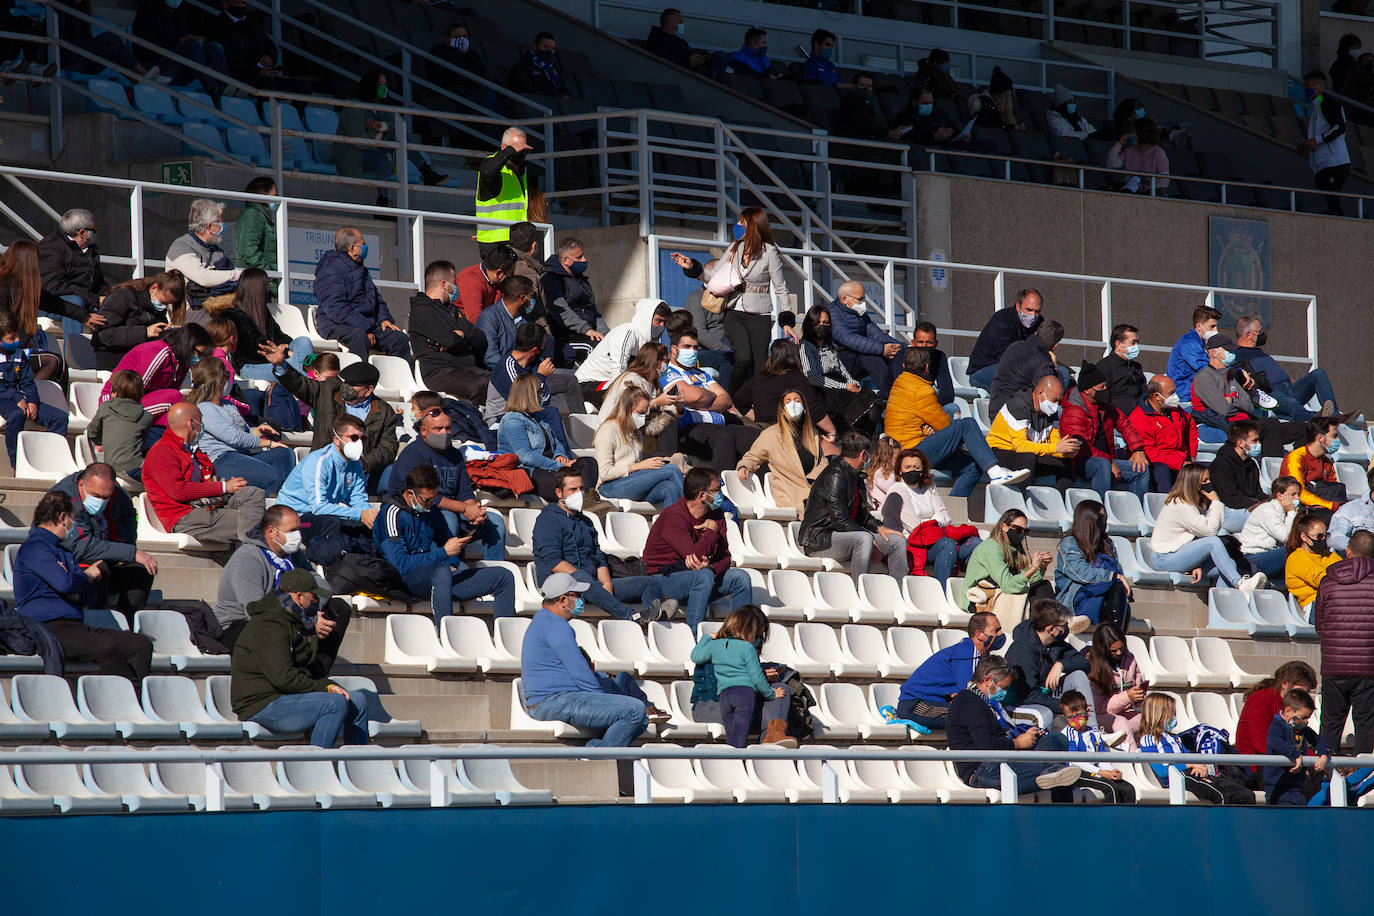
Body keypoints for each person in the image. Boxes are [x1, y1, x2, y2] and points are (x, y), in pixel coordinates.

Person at [230, 568, 377, 748]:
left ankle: (356, 766)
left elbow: (307, 666)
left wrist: (328, 685)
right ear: (298, 597)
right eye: (313, 597)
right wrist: (324, 689)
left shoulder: (293, 621)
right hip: (261, 704)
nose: (316, 601)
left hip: (285, 696)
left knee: (357, 700)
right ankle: (319, 766)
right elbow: (283, 678)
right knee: (334, 704)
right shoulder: (269, 624)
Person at [17, 490, 152, 684]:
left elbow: (82, 594)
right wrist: (86, 577)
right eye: (73, 519)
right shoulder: (35, 547)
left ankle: (132, 697)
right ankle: (131, 697)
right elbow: (66, 583)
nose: (74, 526)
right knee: (104, 646)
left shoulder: (63, 550)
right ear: (63, 518)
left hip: (75, 626)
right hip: (47, 629)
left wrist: (88, 581)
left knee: (140, 644)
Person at [376, 464, 516, 626]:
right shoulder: (391, 514)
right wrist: (443, 554)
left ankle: (504, 639)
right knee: (441, 572)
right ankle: (447, 637)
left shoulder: (431, 509)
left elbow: (447, 541)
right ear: (410, 493)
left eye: (433, 499)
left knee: (503, 576)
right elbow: (400, 565)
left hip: (438, 578)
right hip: (404, 581)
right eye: (427, 500)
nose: (430, 504)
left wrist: (454, 556)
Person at [521, 573, 649, 746]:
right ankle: (598, 757)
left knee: (641, 720)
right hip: (553, 702)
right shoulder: (556, 625)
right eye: (578, 596)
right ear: (564, 600)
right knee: (635, 710)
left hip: (555, 701)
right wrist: (603, 704)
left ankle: (595, 749)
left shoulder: (542, 621)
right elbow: (580, 672)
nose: (582, 600)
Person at [532, 466, 672, 624]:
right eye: (572, 489)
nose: (579, 494)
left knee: (649, 582)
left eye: (581, 488)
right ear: (559, 493)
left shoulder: (586, 521)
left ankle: (653, 620)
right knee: (581, 577)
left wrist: (606, 584)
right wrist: (586, 581)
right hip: (558, 585)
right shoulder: (548, 519)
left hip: (591, 584)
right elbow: (554, 562)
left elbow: (598, 557)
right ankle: (631, 616)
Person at [887, 347, 1028, 496]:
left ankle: (956, 503)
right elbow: (944, 426)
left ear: (903, 366)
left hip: (909, 448)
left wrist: (926, 429)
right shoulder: (922, 391)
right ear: (928, 367)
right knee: (967, 424)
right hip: (912, 451)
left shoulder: (899, 383)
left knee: (976, 464)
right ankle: (996, 471)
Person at [214, 505, 350, 654]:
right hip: (240, 626)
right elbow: (255, 609)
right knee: (269, 628)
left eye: (299, 530)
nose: (298, 536)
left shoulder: (292, 554)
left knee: (338, 608)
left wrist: (310, 612)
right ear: (272, 531)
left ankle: (315, 673)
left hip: (285, 617)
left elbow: (322, 587)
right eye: (292, 531)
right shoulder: (247, 558)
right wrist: (305, 619)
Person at [264, 350, 399, 493]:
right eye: (346, 382)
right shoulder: (328, 391)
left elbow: (388, 447)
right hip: (326, 468)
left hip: (362, 473)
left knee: (394, 474)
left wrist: (365, 463)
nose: (346, 387)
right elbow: (300, 384)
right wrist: (281, 366)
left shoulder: (384, 411)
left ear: (368, 390)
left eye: (353, 385)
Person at [947, 655, 1084, 795]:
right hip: (982, 770)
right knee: (1053, 768)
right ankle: (1051, 771)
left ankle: (1050, 771)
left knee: (1057, 739)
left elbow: (999, 739)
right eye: (1003, 688)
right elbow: (986, 744)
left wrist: (1028, 737)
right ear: (988, 681)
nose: (1004, 693)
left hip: (1002, 760)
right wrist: (1017, 743)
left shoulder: (986, 704)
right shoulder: (967, 703)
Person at [384, 406, 507, 560]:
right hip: (416, 512)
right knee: (448, 519)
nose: (444, 432)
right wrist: (464, 508)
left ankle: (495, 575)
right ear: (423, 431)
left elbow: (464, 491)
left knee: (495, 523)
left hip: (450, 510)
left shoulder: (455, 455)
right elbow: (422, 496)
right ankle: (450, 571)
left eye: (448, 428)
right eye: (438, 428)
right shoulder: (413, 453)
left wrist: (474, 510)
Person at [643, 467, 753, 634]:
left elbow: (725, 557)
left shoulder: (716, 514)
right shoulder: (674, 516)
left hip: (701, 577)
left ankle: (740, 639)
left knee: (740, 578)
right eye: (716, 490)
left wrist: (710, 567)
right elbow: (694, 556)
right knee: (704, 577)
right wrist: (711, 531)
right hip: (664, 581)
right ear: (702, 495)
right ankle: (695, 637)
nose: (721, 494)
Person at [142, 401, 265, 544]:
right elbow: (178, 491)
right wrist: (223, 487)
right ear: (191, 423)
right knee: (261, 524)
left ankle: (251, 542)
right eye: (201, 421)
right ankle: (251, 549)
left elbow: (204, 480)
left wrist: (223, 483)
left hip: (207, 505)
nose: (203, 426)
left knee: (253, 493)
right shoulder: (162, 451)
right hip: (185, 516)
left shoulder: (193, 450)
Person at [797, 431, 909, 583]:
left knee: (897, 542)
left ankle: (899, 593)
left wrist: (879, 527)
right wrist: (869, 536)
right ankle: (861, 591)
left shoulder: (855, 474)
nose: (868, 459)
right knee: (864, 539)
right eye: (867, 455)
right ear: (863, 454)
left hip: (846, 535)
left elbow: (860, 514)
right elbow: (840, 520)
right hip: (821, 540)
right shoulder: (835, 476)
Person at [49, 463, 157, 619]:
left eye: (106, 497)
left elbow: (128, 521)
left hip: (99, 554)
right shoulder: (63, 500)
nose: (100, 501)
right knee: (100, 570)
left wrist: (126, 550)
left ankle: (126, 622)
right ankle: (99, 622)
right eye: (96, 496)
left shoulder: (119, 496)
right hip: (65, 561)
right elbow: (82, 546)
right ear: (81, 485)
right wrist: (130, 553)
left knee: (143, 569)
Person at [1148, 462, 1267, 594]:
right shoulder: (1180, 505)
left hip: (1180, 554)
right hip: (1164, 558)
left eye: (1209, 479)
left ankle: (1228, 602)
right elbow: (1210, 532)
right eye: (1205, 480)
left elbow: (1203, 532)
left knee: (1229, 564)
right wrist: (1216, 502)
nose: (1209, 483)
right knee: (1213, 542)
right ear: (1193, 484)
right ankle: (1239, 583)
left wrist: (1196, 563)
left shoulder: (1195, 504)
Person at [187, 358, 295, 495]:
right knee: (274, 477)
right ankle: (274, 506)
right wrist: (268, 443)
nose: (228, 380)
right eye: (225, 375)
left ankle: (284, 497)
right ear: (216, 380)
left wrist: (258, 430)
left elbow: (243, 431)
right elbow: (234, 438)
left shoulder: (228, 405)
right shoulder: (204, 408)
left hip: (241, 455)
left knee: (285, 454)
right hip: (221, 459)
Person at [690, 605, 791, 747]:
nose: (757, 640)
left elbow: (695, 655)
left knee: (781, 688)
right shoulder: (719, 646)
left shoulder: (722, 646)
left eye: (760, 637)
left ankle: (773, 737)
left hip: (732, 699)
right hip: (709, 704)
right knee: (768, 718)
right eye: (756, 635)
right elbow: (718, 689)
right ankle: (771, 741)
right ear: (748, 630)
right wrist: (760, 680)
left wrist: (764, 676)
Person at [657, 328, 760, 467]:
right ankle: (719, 486)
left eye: (695, 348)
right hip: (689, 428)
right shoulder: (667, 372)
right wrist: (710, 395)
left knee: (759, 437)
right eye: (687, 347)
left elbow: (726, 399)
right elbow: (694, 396)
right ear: (674, 350)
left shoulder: (701, 373)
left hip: (720, 423)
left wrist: (702, 400)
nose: (692, 351)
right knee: (724, 437)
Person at [711, 208, 789, 392]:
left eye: (741, 223)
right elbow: (714, 274)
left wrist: (786, 320)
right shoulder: (734, 247)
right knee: (743, 358)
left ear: (753, 227)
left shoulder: (769, 252)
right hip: (734, 310)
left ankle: (759, 403)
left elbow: (780, 287)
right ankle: (731, 399)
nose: (737, 226)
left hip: (759, 313)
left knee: (760, 364)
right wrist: (692, 267)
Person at [276, 416, 379, 554]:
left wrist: (369, 515)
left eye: (362, 439)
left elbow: (358, 499)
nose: (359, 443)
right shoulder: (319, 462)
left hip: (323, 515)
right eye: (354, 438)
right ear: (337, 439)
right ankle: (331, 569)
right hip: (295, 519)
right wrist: (360, 514)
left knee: (369, 526)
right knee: (332, 523)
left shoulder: (356, 465)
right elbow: (319, 507)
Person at [1192, 334, 1305, 457]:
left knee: (1305, 428)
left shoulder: (1233, 374)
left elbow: (1248, 406)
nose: (1232, 353)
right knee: (1271, 426)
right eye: (1228, 350)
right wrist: (1235, 398)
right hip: (1233, 427)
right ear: (1213, 353)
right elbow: (1223, 410)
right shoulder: (1203, 377)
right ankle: (1274, 467)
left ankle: (1297, 463)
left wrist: (1230, 398)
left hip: (1247, 422)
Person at [880, 448, 980, 585]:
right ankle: (943, 592)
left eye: (916, 467)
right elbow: (916, 528)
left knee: (976, 544)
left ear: (922, 470)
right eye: (907, 467)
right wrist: (935, 519)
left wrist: (931, 522)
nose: (912, 470)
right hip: (915, 545)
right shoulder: (898, 491)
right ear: (900, 470)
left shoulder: (929, 486)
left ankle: (970, 590)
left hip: (937, 538)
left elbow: (945, 515)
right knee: (948, 544)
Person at [1314, 529, 1374, 756]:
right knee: (1366, 725)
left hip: (1334, 664)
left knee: (1330, 724)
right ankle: (1362, 778)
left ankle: (1324, 776)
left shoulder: (1328, 582)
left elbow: (1319, 625)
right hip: (1368, 666)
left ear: (1348, 551)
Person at [312, 227, 411, 360]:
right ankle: (358, 379)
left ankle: (394, 379)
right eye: (363, 244)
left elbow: (376, 299)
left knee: (399, 339)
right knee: (359, 337)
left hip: (366, 324)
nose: (366, 247)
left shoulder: (361, 269)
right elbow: (337, 309)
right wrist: (365, 328)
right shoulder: (330, 269)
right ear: (352, 248)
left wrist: (384, 319)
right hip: (336, 325)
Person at [1138, 693, 1255, 804]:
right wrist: (1191, 765)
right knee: (1223, 796)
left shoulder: (1174, 738)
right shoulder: (1149, 739)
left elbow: (1189, 757)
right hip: (1180, 778)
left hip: (1193, 775)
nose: (1174, 718)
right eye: (1171, 713)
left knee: (1246, 794)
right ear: (1158, 715)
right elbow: (1163, 771)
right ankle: (1223, 824)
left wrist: (1199, 765)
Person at [895, 611, 1004, 729]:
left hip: (937, 703)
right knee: (978, 715)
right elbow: (969, 691)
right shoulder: (967, 652)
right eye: (996, 630)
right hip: (915, 705)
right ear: (979, 634)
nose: (1001, 634)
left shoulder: (983, 656)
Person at [499, 373, 599, 501]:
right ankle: (583, 500)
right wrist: (558, 466)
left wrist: (560, 456)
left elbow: (556, 442)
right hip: (530, 471)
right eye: (540, 391)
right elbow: (526, 456)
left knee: (588, 462)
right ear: (529, 394)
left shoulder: (539, 418)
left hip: (552, 466)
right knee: (565, 481)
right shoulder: (512, 420)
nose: (542, 394)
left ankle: (586, 499)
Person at [202, 268, 312, 383]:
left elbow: (280, 336)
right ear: (257, 288)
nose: (268, 290)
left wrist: (285, 347)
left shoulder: (262, 311)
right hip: (250, 366)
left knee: (303, 342)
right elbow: (249, 353)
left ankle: (303, 382)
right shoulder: (232, 316)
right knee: (298, 367)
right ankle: (306, 386)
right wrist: (283, 353)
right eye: (266, 285)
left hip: (273, 358)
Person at [1061, 361, 1150, 499]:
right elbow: (1080, 446)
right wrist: (1109, 461)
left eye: (1106, 386)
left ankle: (1135, 511)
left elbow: (1125, 425)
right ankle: (1101, 510)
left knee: (1141, 469)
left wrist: (1137, 450)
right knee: (1102, 465)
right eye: (1101, 387)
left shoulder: (1105, 406)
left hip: (1106, 460)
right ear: (1087, 390)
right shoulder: (1074, 411)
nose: (1105, 390)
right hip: (1082, 462)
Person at [1005, 599, 1098, 726]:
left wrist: (1060, 665)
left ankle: (1092, 730)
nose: (1065, 629)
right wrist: (1067, 707)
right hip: (1023, 702)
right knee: (1045, 713)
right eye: (1063, 626)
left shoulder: (1055, 642)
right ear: (1051, 629)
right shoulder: (1021, 650)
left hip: (1047, 692)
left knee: (1078, 675)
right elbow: (1029, 695)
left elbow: (1084, 663)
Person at [736, 389, 827, 517]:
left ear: (804, 407)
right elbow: (754, 456)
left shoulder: (812, 434)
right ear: (783, 409)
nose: (793, 404)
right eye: (788, 401)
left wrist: (814, 475)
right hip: (790, 491)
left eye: (797, 400)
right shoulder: (771, 434)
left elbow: (822, 460)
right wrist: (744, 466)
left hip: (814, 488)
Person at [406, 259, 487, 403]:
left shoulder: (452, 310)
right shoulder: (422, 311)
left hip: (465, 369)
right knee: (480, 386)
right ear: (444, 284)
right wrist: (460, 338)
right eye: (454, 282)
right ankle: (480, 423)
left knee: (501, 382)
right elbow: (451, 341)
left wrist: (462, 334)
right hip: (439, 372)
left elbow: (480, 338)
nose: (456, 287)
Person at [483, 322, 584, 435]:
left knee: (569, 381)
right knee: (550, 416)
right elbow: (524, 403)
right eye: (544, 344)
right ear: (535, 349)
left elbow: (544, 399)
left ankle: (583, 432)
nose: (546, 347)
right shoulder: (506, 368)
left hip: (527, 412)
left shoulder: (533, 363)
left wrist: (542, 384)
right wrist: (541, 377)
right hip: (502, 419)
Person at [1233, 314, 1340, 421]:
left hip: (1290, 388)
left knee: (1318, 373)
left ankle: (1334, 415)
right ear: (1249, 335)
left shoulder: (1259, 352)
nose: (1263, 335)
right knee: (1293, 405)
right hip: (1271, 393)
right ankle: (1323, 419)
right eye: (1260, 332)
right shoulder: (1237, 355)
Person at [798, 304, 883, 434]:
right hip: (824, 391)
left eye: (826, 322)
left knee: (872, 401)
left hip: (842, 387)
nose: (822, 326)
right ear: (810, 324)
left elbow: (841, 368)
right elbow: (813, 377)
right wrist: (844, 386)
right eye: (818, 322)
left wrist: (851, 383)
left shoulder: (830, 346)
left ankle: (865, 440)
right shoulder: (806, 346)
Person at [595, 387, 684, 510]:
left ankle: (675, 527)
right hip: (610, 486)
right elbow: (604, 473)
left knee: (669, 488)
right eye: (641, 412)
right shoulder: (608, 430)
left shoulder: (635, 431)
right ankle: (691, 516)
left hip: (632, 481)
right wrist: (638, 466)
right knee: (672, 470)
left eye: (645, 413)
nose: (643, 417)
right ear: (627, 409)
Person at [985, 374, 1081, 487]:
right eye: (1054, 400)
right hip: (999, 451)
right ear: (1040, 393)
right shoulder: (1017, 406)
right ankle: (1023, 499)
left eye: (1059, 401)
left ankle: (1066, 500)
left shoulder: (1050, 412)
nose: (1056, 406)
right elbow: (1020, 446)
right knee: (1028, 457)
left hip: (1028, 453)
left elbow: (1054, 441)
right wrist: (1056, 448)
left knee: (1064, 462)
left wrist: (1066, 451)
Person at [0, 311, 67, 464]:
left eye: (17, 336)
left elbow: (28, 382)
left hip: (20, 397)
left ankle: (51, 459)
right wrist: (18, 398)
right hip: (4, 398)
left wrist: (32, 402)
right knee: (17, 415)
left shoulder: (19, 354)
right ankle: (17, 462)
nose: (16, 341)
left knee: (60, 418)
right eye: (10, 339)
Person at [1054, 500, 1133, 630]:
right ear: (1089, 519)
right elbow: (1081, 573)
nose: (1105, 521)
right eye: (1101, 517)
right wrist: (1113, 577)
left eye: (1105, 517)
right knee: (1115, 582)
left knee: (1117, 586)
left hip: (1106, 596)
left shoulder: (1107, 543)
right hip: (1077, 600)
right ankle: (1113, 634)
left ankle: (1114, 634)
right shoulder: (1070, 543)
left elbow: (1117, 570)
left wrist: (1116, 578)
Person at [733, 340, 836, 439]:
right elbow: (814, 409)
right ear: (795, 356)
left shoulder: (759, 379)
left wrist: (757, 419)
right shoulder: (798, 378)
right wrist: (831, 431)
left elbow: (739, 401)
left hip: (762, 432)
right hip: (788, 432)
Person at [965, 510, 1055, 620]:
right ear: (1004, 527)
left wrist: (1042, 567)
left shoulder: (1014, 549)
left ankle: (1050, 622)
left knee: (1043, 585)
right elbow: (1008, 586)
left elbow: (1025, 581)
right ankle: (1049, 623)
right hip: (980, 600)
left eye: (1025, 531)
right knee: (1034, 598)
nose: (1021, 534)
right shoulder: (991, 548)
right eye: (1018, 529)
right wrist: (1034, 568)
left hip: (1000, 592)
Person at [90, 270, 185, 370]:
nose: (164, 306)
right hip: (113, 357)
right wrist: (145, 332)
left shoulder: (155, 307)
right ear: (154, 288)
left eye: (168, 304)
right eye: (163, 302)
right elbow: (104, 334)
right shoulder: (122, 296)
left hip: (139, 359)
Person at [575, 299, 672, 396]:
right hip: (588, 384)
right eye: (658, 321)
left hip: (613, 384)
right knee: (632, 397)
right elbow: (618, 373)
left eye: (664, 322)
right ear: (647, 318)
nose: (661, 326)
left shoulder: (649, 343)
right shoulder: (627, 333)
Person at [131, 0, 229, 91]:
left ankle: (224, 88)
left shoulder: (179, 14)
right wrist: (178, 41)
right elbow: (143, 50)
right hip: (154, 67)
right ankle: (212, 89)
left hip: (177, 64)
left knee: (214, 47)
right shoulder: (147, 11)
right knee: (192, 44)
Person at [825, 281, 902, 394]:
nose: (863, 303)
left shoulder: (859, 313)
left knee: (895, 355)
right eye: (859, 299)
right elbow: (849, 339)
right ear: (844, 299)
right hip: (839, 362)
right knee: (871, 354)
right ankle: (891, 392)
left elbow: (875, 333)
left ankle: (902, 389)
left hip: (856, 358)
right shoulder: (831, 313)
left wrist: (897, 346)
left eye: (863, 299)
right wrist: (882, 349)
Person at [1060, 690, 1137, 804]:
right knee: (1110, 788)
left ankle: (1128, 820)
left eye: (1080, 715)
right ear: (1065, 717)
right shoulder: (1067, 734)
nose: (1076, 720)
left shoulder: (1095, 733)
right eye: (1071, 717)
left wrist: (1112, 772)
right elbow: (1075, 760)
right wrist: (1100, 772)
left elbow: (1102, 757)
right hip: (1077, 773)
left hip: (1096, 772)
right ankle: (1112, 819)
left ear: (1087, 711)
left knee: (1128, 789)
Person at [1235, 660, 1319, 764]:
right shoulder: (1260, 699)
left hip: (1284, 760)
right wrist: (1310, 758)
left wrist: (1319, 756)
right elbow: (1262, 743)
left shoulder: (1292, 705)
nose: (1305, 696)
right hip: (1257, 765)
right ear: (1285, 684)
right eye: (1302, 691)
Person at [540, 236, 607, 365]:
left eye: (583, 256)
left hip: (589, 333)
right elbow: (562, 312)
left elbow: (593, 310)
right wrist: (586, 330)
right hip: (567, 336)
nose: (584, 260)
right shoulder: (551, 279)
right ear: (565, 260)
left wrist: (607, 334)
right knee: (597, 349)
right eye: (579, 257)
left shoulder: (580, 280)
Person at [165, 199, 242, 309]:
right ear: (209, 226)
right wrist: (237, 274)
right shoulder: (181, 247)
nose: (223, 226)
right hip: (190, 312)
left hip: (217, 307)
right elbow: (202, 277)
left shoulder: (216, 251)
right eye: (220, 223)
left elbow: (228, 279)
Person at [1128, 375, 1197, 493]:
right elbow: (1150, 452)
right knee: (1162, 470)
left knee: (1211, 468)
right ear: (1156, 396)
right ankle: (1165, 504)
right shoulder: (1139, 418)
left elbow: (1191, 427)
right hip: (1158, 464)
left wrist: (1192, 455)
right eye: (1171, 393)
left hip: (1182, 459)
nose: (1176, 397)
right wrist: (1179, 463)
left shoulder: (1174, 409)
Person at [966, 288, 1042, 391]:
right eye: (1029, 310)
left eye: (1037, 311)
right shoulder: (1003, 319)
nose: (1033, 315)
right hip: (985, 369)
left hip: (1021, 369)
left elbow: (1042, 351)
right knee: (1015, 377)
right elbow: (1006, 358)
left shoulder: (1039, 323)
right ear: (1018, 306)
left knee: (1060, 373)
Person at [37, 207, 105, 320]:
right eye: (95, 229)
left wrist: (111, 297)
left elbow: (99, 284)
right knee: (76, 302)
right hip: (53, 305)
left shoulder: (90, 252)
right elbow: (54, 286)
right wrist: (93, 299)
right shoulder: (50, 248)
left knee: (114, 307)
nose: (96, 232)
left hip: (87, 301)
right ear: (82, 233)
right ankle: (72, 338)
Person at [671, 253, 733, 379]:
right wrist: (727, 350)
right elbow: (700, 334)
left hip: (729, 346)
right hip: (705, 351)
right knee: (731, 359)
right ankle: (727, 397)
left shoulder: (729, 296)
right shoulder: (695, 298)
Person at [988, 317, 1064, 417]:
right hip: (1016, 416)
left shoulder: (1014, 346)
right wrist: (1055, 368)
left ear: (1036, 333)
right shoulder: (1044, 362)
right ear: (1055, 346)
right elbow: (1051, 395)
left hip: (996, 409)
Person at [475, 127, 533, 256]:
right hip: (494, 242)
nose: (520, 153)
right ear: (504, 148)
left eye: (523, 150)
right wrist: (510, 151)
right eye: (517, 149)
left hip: (516, 240)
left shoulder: (519, 171)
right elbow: (488, 171)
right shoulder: (493, 166)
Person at [1084, 623, 1144, 745]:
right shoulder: (1091, 666)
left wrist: (1139, 697)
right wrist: (1127, 696)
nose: (1119, 653)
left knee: (1152, 720)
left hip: (1126, 713)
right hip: (1100, 716)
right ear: (1103, 650)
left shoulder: (1129, 659)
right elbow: (1100, 708)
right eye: (1113, 651)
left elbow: (1137, 684)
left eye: (1121, 649)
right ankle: (1134, 761)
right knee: (1121, 724)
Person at [88, 370, 152, 484]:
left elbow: (92, 431)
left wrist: (101, 442)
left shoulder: (106, 407)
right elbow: (143, 443)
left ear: (115, 393)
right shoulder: (146, 416)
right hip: (134, 467)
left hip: (111, 465)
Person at [1301, 70, 1352, 215]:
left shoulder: (1327, 103)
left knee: (1333, 200)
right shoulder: (1316, 106)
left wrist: (1316, 140)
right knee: (1329, 200)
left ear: (1318, 86)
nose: (1305, 89)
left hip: (1334, 162)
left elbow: (1339, 127)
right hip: (1322, 163)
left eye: (1308, 85)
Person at [1207, 422, 1267, 533]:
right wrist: (1260, 505)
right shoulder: (1221, 464)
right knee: (1268, 517)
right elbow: (1231, 499)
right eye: (1254, 441)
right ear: (1241, 443)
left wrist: (1272, 502)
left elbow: (1258, 493)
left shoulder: (1251, 464)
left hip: (1247, 507)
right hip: (1225, 512)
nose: (1259, 444)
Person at [1239, 476, 1301, 579]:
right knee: (1294, 549)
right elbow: (1285, 537)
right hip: (1253, 558)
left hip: (1270, 555)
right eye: (1293, 495)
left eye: (1298, 494)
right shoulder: (1268, 511)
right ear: (1280, 496)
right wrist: (1291, 512)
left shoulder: (1287, 511)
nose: (1298, 498)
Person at [1282, 418, 1347, 514]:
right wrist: (1331, 505)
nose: (1338, 440)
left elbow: (1334, 489)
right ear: (1320, 438)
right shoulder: (1296, 458)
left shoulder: (1326, 461)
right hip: (1299, 509)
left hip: (1321, 508)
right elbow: (1298, 493)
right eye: (1334, 436)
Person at [477, 275, 537, 373]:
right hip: (502, 374)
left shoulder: (524, 317)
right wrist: (518, 370)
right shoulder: (489, 317)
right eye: (531, 297)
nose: (533, 301)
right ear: (522, 297)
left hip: (526, 370)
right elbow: (490, 357)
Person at [1165, 304, 1221, 406]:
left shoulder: (1202, 343)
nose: (1216, 331)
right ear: (1199, 326)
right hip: (1185, 397)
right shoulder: (1188, 343)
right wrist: (1235, 372)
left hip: (1196, 392)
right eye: (1212, 326)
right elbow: (1206, 368)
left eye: (1217, 326)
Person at [1286, 514, 1341, 611]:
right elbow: (1323, 580)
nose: (1323, 539)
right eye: (1319, 536)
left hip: (1335, 600)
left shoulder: (1330, 555)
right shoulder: (1297, 558)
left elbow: (1347, 571)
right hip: (1314, 604)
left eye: (1326, 536)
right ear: (1304, 537)